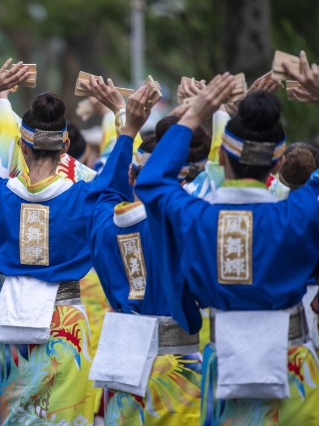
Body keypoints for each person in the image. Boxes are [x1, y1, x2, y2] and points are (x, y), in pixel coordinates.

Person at [135, 74, 319, 425]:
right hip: (294, 367)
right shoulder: (300, 212)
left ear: (220, 154)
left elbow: (153, 182)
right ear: (278, 164)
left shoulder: (196, 218)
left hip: (223, 369)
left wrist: (194, 115)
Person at [0, 59, 95, 425]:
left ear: (22, 146)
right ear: (66, 146)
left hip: (8, 325)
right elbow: (130, 181)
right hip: (65, 325)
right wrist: (123, 120)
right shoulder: (86, 197)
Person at [81, 78, 204, 425]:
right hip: (179, 366)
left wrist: (127, 126)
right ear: (181, 180)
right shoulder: (189, 222)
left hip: (122, 358)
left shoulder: (103, 222)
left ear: (132, 175)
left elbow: (104, 191)